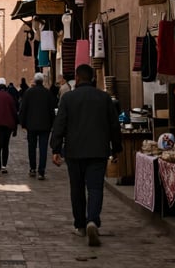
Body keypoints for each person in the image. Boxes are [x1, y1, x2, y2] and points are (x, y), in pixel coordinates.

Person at [50, 63, 122, 247]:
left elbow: (60, 124)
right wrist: (117, 149)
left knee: (77, 189)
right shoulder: (104, 98)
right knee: (96, 188)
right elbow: (114, 125)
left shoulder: (68, 98)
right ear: (92, 79)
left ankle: (80, 225)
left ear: (77, 78)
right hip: (98, 151)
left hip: (74, 151)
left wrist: (56, 149)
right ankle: (92, 220)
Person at [18, 72, 55, 180]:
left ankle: (33, 168)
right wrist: (52, 123)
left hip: (31, 125)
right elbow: (51, 110)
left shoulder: (29, 93)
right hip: (45, 125)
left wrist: (23, 123)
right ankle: (41, 171)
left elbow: (23, 109)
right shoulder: (47, 93)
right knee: (43, 148)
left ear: (34, 81)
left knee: (32, 147)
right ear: (42, 81)